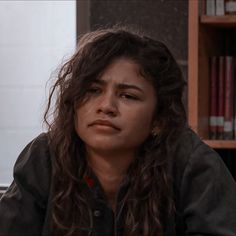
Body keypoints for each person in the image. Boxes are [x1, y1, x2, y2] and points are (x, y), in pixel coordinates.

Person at [0, 26, 236, 236]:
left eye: (127, 96)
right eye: (93, 90)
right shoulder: (44, 156)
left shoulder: (192, 163)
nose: (106, 106)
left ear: (159, 119)